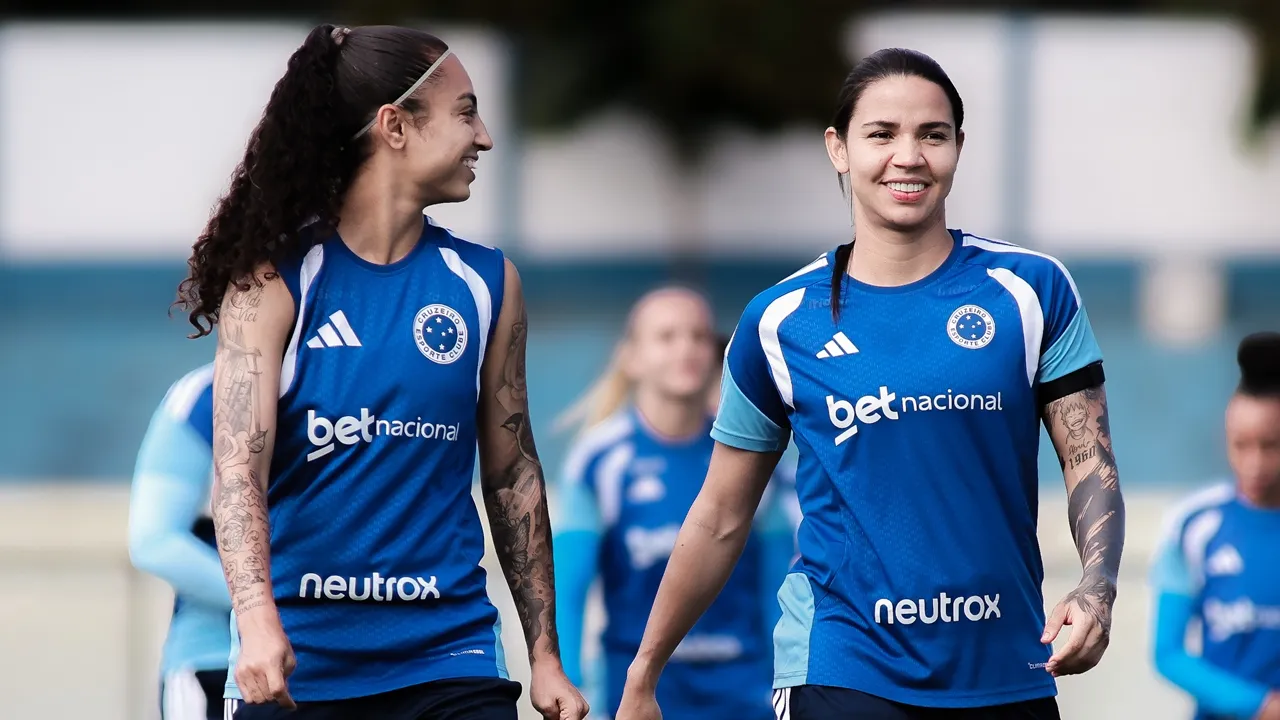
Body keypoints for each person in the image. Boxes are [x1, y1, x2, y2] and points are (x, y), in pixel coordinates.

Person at [613, 48, 1127, 720]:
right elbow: (719, 515)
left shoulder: (1031, 291)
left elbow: (1089, 460)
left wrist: (1097, 588)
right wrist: (643, 675)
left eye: (932, 135)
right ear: (839, 149)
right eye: (881, 134)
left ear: (958, 148)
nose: (908, 156)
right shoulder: (779, 322)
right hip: (844, 666)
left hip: (1007, 666)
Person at [173, 23, 586, 720]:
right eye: (465, 112)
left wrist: (545, 657)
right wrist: (258, 620)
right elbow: (238, 469)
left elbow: (513, 474)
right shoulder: (274, 281)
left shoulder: (487, 283)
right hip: (300, 662)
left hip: (449, 658)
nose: (483, 137)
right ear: (395, 125)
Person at [552, 288, 795, 720]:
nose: (687, 348)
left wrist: (788, 680)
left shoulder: (753, 455)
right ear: (632, 357)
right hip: (638, 690)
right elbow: (567, 592)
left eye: (699, 336)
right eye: (667, 336)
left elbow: (779, 581)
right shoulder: (600, 460)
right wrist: (569, 687)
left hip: (743, 689)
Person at [1149, 332, 1280, 720]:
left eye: (1270, 446)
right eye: (1240, 445)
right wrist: (1260, 706)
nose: (1254, 463)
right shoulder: (1193, 525)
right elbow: (1167, 653)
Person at [129, 363, 231, 720]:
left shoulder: (359, 379)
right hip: (220, 665)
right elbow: (154, 541)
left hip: (352, 666)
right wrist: (269, 606)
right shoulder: (206, 395)